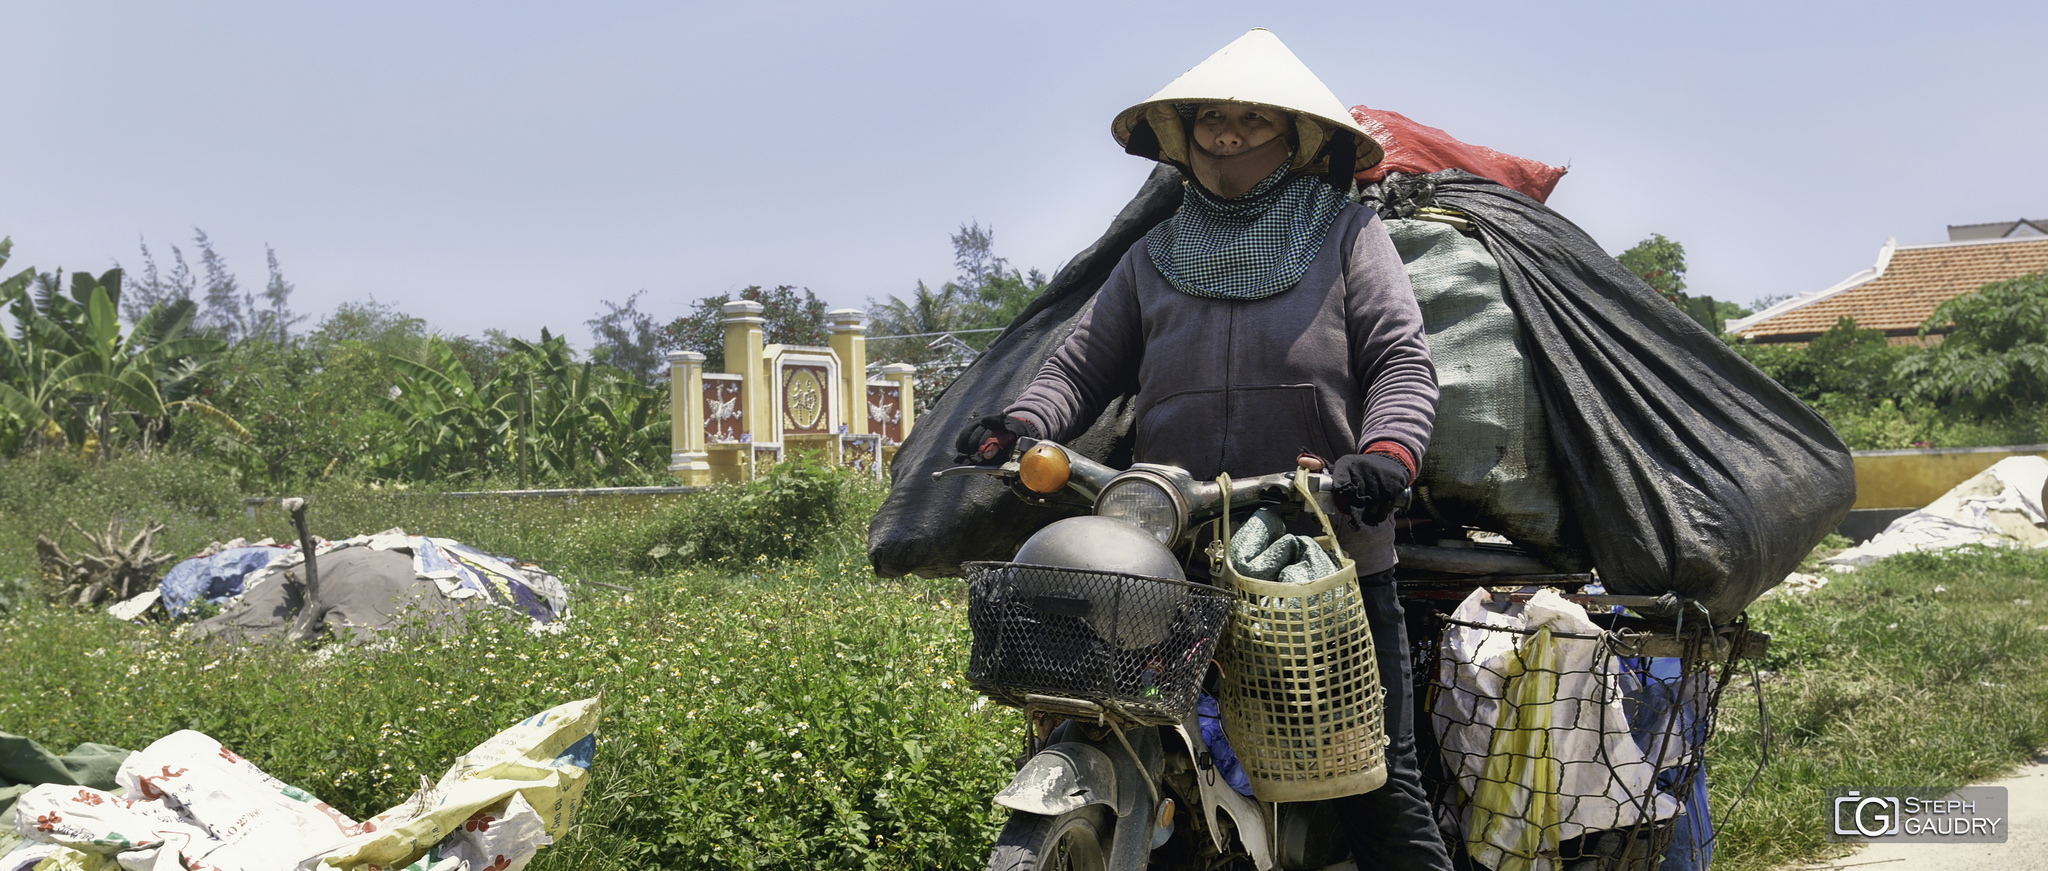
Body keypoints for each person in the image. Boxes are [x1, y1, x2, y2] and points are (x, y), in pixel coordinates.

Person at [953, 28, 1452, 870]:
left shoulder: (1346, 235)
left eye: (1249, 117)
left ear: (1294, 138)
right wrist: (1025, 422)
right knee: (1128, 734)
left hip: (1320, 549)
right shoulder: (1152, 256)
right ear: (1183, 136)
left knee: (1375, 782)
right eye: (1211, 117)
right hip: (1172, 555)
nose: (1226, 132)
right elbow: (1080, 367)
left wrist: (1387, 456)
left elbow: (1402, 361)